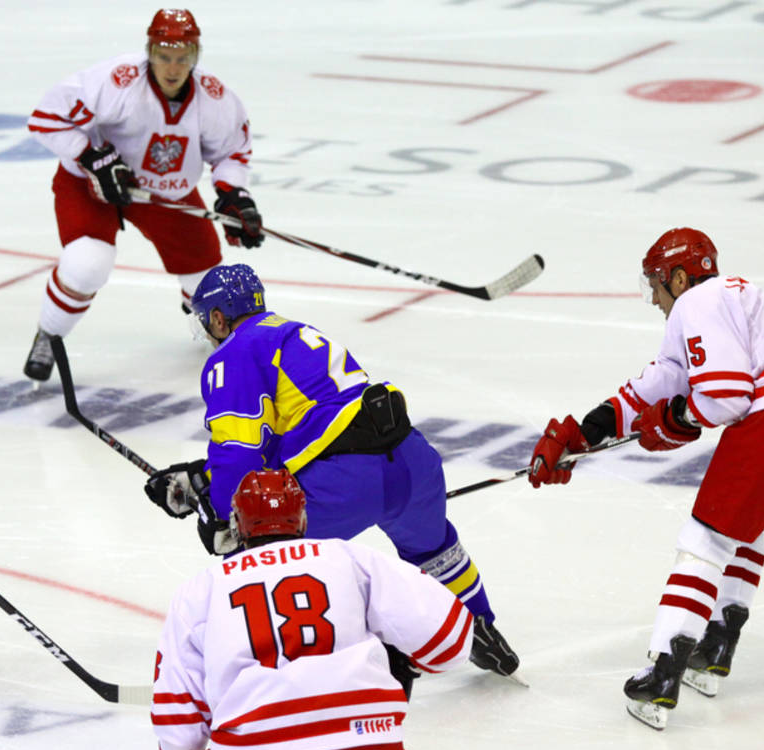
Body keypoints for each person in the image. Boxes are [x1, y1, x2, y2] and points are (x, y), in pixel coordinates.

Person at [527, 227, 764, 731]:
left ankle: (662, 673)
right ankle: (714, 649)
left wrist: (677, 418)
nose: (654, 300)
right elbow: (660, 381)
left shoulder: (699, 302)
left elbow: (726, 397)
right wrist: (585, 432)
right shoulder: (726, 305)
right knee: (745, 525)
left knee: (705, 538)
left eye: (656, 285)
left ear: (679, 278)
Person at [143, 263, 520, 679]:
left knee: (258, 549)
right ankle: (481, 628)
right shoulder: (294, 332)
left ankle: (265, 661)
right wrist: (202, 480)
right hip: (412, 462)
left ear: (218, 317)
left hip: (343, 482)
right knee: (435, 551)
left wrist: (221, 514)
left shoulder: (235, 353)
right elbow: (293, 437)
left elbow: (240, 454)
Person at [135, 468, 477, 750]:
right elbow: (451, 640)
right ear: (302, 520)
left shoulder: (201, 590)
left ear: (237, 525)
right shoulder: (349, 557)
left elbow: (180, 733)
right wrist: (400, 662)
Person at [21, 8, 264, 382]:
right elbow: (46, 118)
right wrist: (90, 156)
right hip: (93, 186)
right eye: (164, 57)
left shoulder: (213, 98)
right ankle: (49, 334)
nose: (173, 68)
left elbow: (232, 151)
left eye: (182, 58)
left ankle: (205, 321)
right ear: (149, 52)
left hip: (164, 192)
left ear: (195, 56)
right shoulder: (116, 81)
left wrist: (234, 195)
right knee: (87, 263)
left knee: (206, 280)